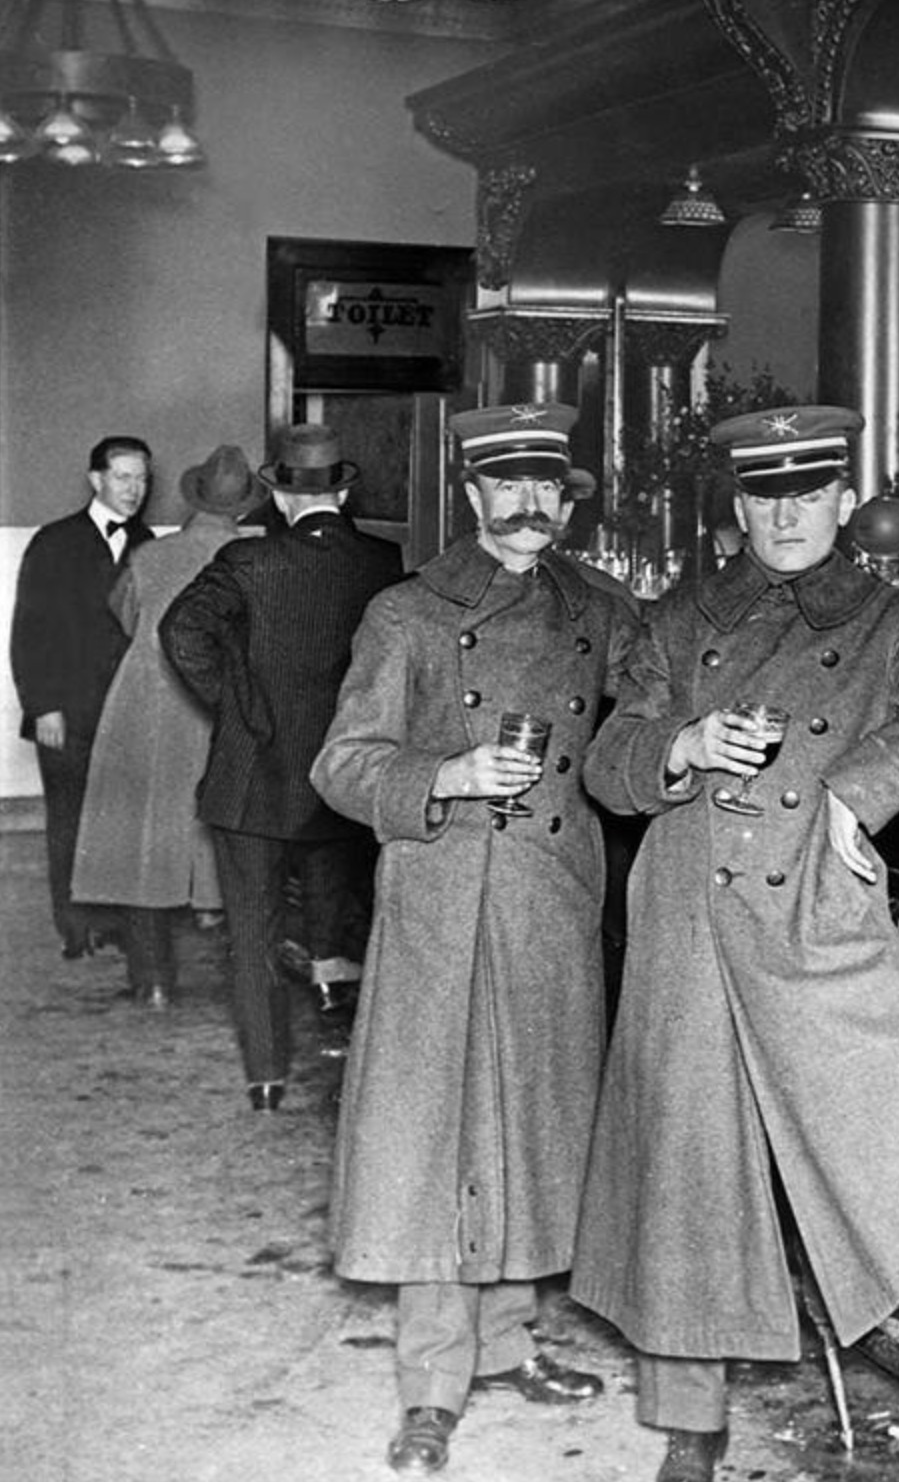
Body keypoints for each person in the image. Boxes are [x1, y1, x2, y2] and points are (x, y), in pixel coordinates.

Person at [569, 404, 899, 1482]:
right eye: (762, 495)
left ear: (841, 501)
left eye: (805, 493)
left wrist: (856, 789)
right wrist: (682, 745)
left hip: (814, 902)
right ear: (739, 507)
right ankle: (687, 1411)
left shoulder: (888, 619)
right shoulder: (682, 612)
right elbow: (607, 765)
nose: (784, 515)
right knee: (686, 1163)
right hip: (691, 907)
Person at [311, 402, 639, 1478]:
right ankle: (430, 1386)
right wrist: (443, 776)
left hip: (550, 896)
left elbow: (642, 731)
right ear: (471, 494)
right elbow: (343, 763)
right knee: (436, 1138)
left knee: (534, 1128)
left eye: (547, 483)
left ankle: (508, 1343)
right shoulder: (405, 613)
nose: (528, 504)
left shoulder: (601, 607)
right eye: (507, 484)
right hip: (444, 895)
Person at [159, 424, 404, 1112]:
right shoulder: (383, 563)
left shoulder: (247, 562)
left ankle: (265, 1078)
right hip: (343, 778)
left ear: (281, 496)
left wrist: (234, 703)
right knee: (345, 922)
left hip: (251, 779)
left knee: (254, 933)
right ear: (345, 489)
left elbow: (180, 630)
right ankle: (354, 1065)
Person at [70, 445, 266, 1008]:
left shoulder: (152, 555)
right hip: (221, 702)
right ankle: (240, 989)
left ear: (195, 496)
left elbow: (123, 613)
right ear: (243, 507)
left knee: (142, 843)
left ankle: (152, 981)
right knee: (226, 838)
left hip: (146, 705)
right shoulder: (259, 556)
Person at [10, 435, 155, 960]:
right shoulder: (53, 542)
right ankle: (74, 926)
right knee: (69, 820)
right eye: (123, 477)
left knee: (118, 820)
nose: (135, 489)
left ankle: (114, 920)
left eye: (142, 478)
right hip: (65, 712)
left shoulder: (149, 546)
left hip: (125, 714)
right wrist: (42, 704)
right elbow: (28, 631)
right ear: (96, 480)